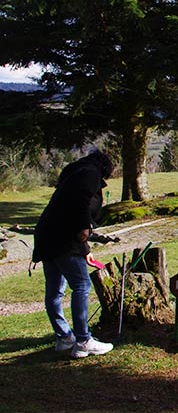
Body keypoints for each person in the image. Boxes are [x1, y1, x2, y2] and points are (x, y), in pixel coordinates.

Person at [33, 150, 115, 358]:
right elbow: (80, 203)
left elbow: (68, 207)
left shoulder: (73, 173)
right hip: (64, 238)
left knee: (55, 291)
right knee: (81, 285)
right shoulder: (90, 173)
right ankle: (83, 340)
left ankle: (64, 338)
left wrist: (85, 250)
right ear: (104, 167)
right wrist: (84, 228)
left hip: (47, 235)